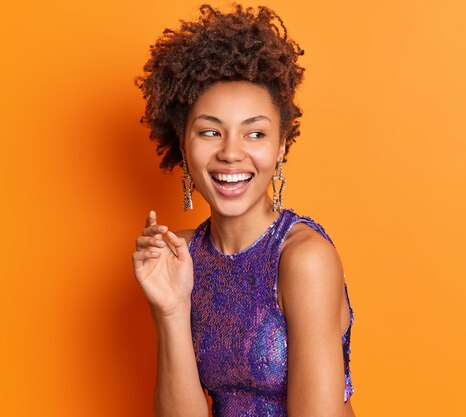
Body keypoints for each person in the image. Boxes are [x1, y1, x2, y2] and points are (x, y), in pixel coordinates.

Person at [132, 4, 355, 416]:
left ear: (281, 145)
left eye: (255, 133)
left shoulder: (302, 259)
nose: (231, 153)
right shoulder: (179, 257)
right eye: (211, 131)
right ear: (183, 144)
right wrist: (171, 308)